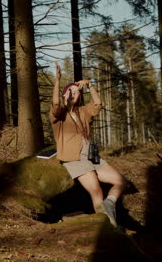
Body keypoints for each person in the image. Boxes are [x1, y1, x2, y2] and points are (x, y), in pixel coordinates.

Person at [49, 62, 127, 227]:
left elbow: (98, 105)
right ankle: (108, 226)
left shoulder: (83, 111)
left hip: (92, 156)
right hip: (75, 158)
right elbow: (55, 104)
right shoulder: (59, 115)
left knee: (120, 181)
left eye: (77, 92)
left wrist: (90, 85)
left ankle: (109, 205)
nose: (74, 94)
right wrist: (57, 80)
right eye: (70, 91)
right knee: (96, 190)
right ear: (64, 95)